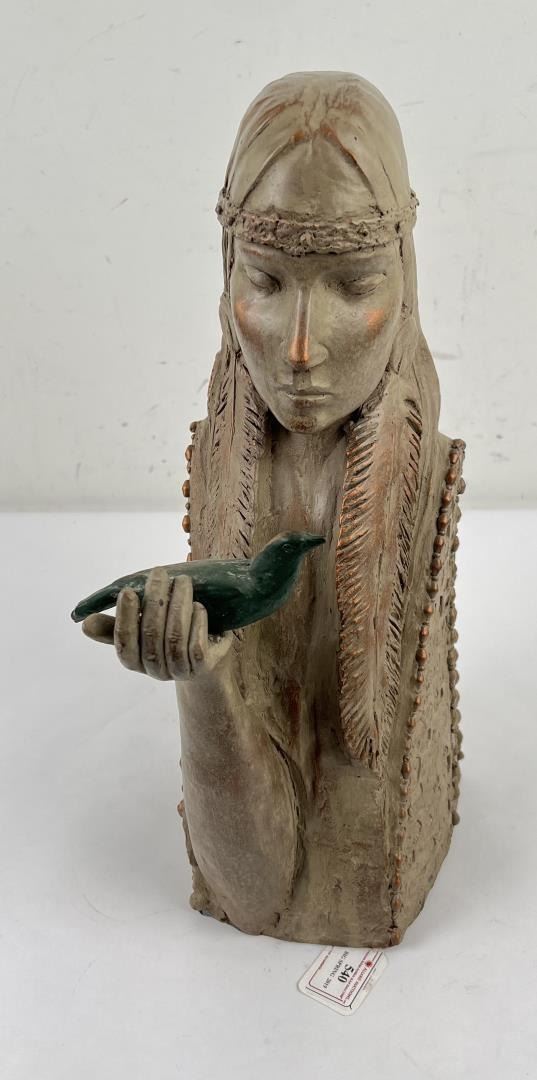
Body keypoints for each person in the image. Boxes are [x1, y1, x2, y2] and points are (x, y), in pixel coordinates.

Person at [82, 71, 465, 947]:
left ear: (403, 284)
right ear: (226, 281)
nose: (298, 348)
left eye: (351, 285)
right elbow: (254, 893)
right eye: (265, 280)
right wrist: (206, 686)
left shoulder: (421, 478)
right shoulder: (228, 478)